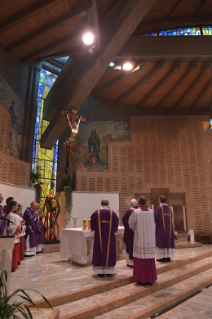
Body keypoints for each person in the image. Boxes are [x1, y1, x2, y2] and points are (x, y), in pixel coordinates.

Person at [129, 196, 157, 284]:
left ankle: (141, 279)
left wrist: (137, 230)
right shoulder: (151, 212)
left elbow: (131, 224)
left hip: (140, 238)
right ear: (146, 202)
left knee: (140, 257)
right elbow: (153, 223)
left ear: (138, 202)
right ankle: (150, 278)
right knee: (149, 258)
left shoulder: (136, 212)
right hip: (149, 237)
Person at [91, 198, 119, 276]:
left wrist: (93, 228)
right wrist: (115, 229)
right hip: (110, 237)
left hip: (98, 238)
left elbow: (92, 223)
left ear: (101, 203)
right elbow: (116, 223)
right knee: (109, 251)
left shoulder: (97, 213)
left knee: (99, 250)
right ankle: (109, 271)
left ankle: (99, 272)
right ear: (108, 204)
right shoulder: (112, 213)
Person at [4, 201, 25, 271]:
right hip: (12, 235)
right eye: (16, 205)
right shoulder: (11, 215)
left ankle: (13, 265)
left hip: (13, 235)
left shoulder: (11, 214)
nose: (17, 207)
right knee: (12, 252)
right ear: (13, 206)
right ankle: (11, 266)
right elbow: (10, 227)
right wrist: (18, 227)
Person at [154, 195, 175, 262]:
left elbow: (155, 217)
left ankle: (162, 257)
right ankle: (168, 256)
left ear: (159, 200)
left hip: (161, 228)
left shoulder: (159, 208)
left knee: (161, 241)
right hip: (169, 228)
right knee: (168, 240)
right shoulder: (169, 208)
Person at [122, 199, 138, 267]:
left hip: (130, 232)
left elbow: (124, 220)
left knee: (130, 245)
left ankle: (130, 262)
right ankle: (137, 262)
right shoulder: (139, 210)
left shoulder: (128, 211)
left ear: (131, 204)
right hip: (137, 233)